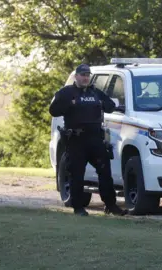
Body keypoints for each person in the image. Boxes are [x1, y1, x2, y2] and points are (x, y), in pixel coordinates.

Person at [49, 64, 128, 216]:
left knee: (105, 173)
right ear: (76, 76)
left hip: (95, 139)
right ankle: (78, 208)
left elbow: (111, 106)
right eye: (82, 75)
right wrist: (69, 105)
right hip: (76, 140)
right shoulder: (66, 92)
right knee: (77, 174)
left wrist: (103, 104)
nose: (85, 78)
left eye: (87, 75)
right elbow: (53, 110)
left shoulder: (95, 92)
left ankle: (111, 206)